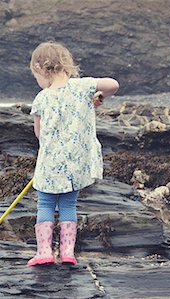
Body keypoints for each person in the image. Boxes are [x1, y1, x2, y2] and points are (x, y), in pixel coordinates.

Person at [27, 41, 119, 266]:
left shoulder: (42, 98)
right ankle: (68, 253)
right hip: (76, 163)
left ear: (41, 69)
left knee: (45, 205)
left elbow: (39, 133)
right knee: (69, 205)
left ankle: (44, 253)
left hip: (49, 165)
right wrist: (98, 98)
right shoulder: (82, 87)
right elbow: (113, 85)